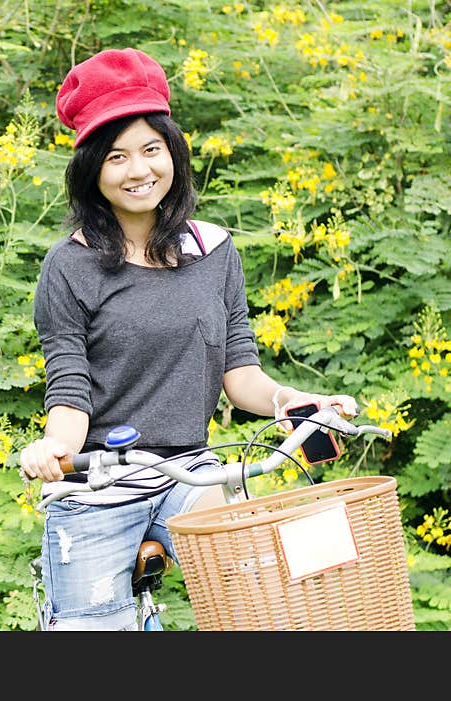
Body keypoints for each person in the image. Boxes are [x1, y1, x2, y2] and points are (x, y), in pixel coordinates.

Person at [18, 47, 359, 631]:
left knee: (267, 606)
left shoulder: (213, 250)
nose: (138, 170)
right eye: (117, 157)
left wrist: (291, 402)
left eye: (152, 150)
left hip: (192, 475)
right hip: (101, 482)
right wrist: (52, 449)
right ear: (93, 171)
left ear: (172, 152)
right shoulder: (69, 265)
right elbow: (70, 387)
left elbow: (240, 370)